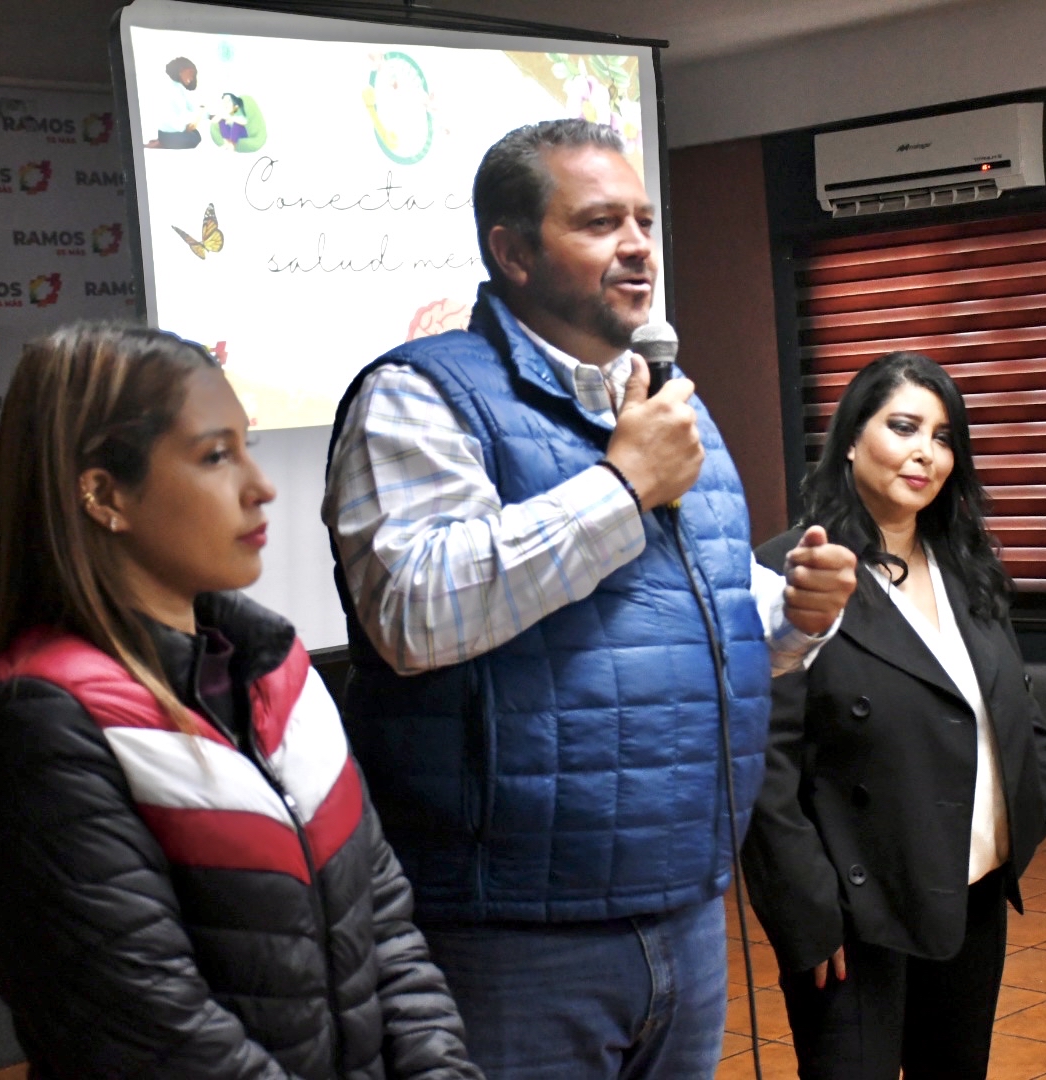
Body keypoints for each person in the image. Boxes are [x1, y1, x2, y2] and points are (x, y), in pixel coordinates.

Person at [322, 117, 858, 1080]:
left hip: (685, 904)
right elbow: (411, 612)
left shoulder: (669, 403)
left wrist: (797, 616)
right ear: (513, 252)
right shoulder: (419, 395)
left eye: (644, 221)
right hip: (513, 930)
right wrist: (621, 488)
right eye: (601, 222)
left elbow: (694, 612)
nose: (639, 246)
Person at [0, 323, 481, 1080]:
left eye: (246, 447)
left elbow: (385, 925)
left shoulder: (276, 668)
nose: (261, 487)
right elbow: (155, 1033)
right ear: (104, 494)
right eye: (215, 456)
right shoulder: (36, 721)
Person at [742, 351, 1046, 1079]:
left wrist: (1032, 799)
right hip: (858, 914)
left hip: (972, 887)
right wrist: (806, 914)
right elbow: (764, 766)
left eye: (944, 438)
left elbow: (1013, 700)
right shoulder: (793, 570)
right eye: (904, 427)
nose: (926, 453)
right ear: (851, 440)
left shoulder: (965, 562)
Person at [146, 56, 201, 149]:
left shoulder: (179, 87)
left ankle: (162, 141)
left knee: (196, 135)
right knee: (194, 139)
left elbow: (191, 108)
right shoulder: (173, 90)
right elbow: (178, 122)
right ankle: (162, 142)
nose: (192, 78)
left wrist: (205, 114)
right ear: (181, 70)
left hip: (171, 130)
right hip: (170, 133)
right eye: (190, 72)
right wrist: (193, 118)